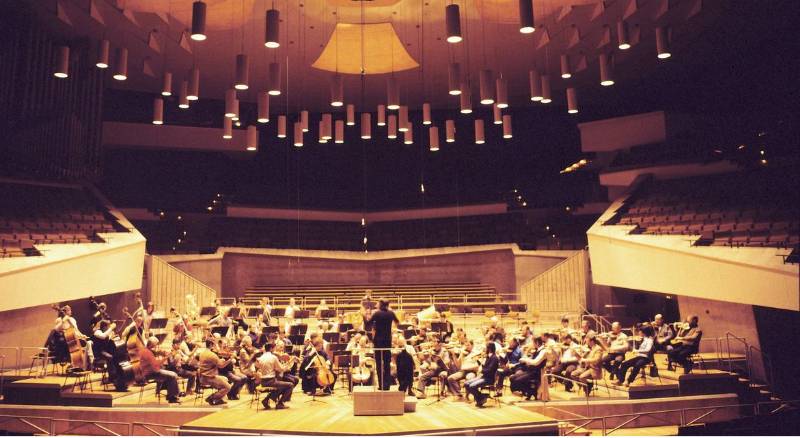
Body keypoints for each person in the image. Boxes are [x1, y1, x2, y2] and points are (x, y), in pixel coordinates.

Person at [367, 299, 399, 390]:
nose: (376, 304)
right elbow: (397, 322)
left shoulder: (377, 313)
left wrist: (366, 317)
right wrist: (391, 329)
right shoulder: (391, 313)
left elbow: (368, 324)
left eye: (378, 303)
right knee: (386, 364)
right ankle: (387, 385)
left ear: (381, 304)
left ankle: (381, 385)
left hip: (378, 342)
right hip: (387, 341)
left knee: (378, 363)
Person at [255, 343, 293, 410]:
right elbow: (281, 369)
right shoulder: (273, 357)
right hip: (271, 381)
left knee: (281, 387)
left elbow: (258, 366)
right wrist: (288, 365)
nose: (274, 349)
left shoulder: (260, 358)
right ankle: (280, 403)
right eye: (274, 348)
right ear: (271, 349)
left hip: (263, 381)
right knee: (290, 385)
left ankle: (266, 400)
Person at [196, 339, 233, 405]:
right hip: (209, 378)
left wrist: (220, 359)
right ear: (211, 345)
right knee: (228, 387)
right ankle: (212, 398)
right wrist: (230, 360)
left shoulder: (202, 353)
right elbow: (221, 366)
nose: (216, 346)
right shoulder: (212, 355)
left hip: (202, 377)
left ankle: (219, 399)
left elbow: (213, 362)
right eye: (214, 344)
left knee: (225, 379)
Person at [465, 342, 498, 408]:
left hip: (489, 379)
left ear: (489, 349)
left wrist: (481, 370)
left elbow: (489, 370)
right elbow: (484, 367)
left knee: (472, 386)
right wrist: (479, 361)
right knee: (466, 384)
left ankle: (480, 399)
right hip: (483, 376)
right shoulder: (488, 357)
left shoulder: (494, 358)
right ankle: (482, 396)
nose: (485, 349)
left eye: (486, 348)